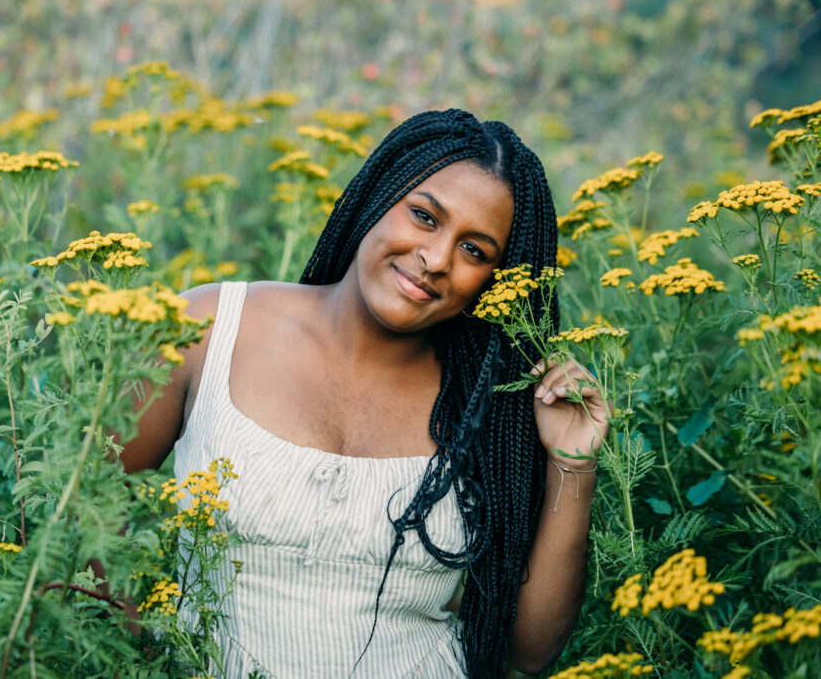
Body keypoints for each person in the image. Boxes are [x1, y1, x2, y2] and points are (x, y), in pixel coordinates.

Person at [120, 108, 609, 678]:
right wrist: (135, 654)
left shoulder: (492, 404)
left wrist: (574, 464)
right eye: (424, 216)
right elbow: (82, 508)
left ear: (497, 281)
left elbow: (529, 650)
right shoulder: (206, 328)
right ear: (379, 193)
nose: (436, 259)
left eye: (475, 251)